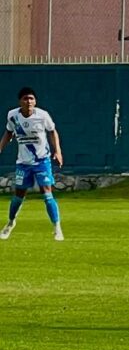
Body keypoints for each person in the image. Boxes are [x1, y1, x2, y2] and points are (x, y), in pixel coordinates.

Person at [0, 87, 64, 241]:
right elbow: (9, 132)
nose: (29, 102)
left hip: (42, 161)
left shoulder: (42, 116)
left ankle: (57, 228)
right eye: (25, 99)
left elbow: (52, 131)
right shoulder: (13, 116)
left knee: (47, 193)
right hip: (23, 163)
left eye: (31, 99)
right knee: (18, 195)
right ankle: (10, 223)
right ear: (20, 101)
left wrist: (58, 151)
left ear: (35, 101)